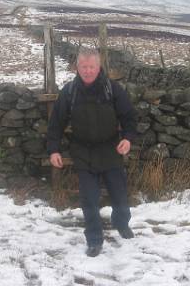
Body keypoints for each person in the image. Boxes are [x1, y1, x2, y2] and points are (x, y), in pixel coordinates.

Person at [47, 47, 138, 257]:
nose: (88, 71)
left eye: (92, 67)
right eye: (84, 67)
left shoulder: (112, 89)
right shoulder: (69, 91)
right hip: (82, 151)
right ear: (77, 67)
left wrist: (127, 138)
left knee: (120, 195)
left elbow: (129, 118)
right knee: (89, 198)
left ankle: (121, 222)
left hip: (110, 149)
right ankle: (94, 239)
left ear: (99, 67)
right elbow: (56, 124)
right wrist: (54, 150)